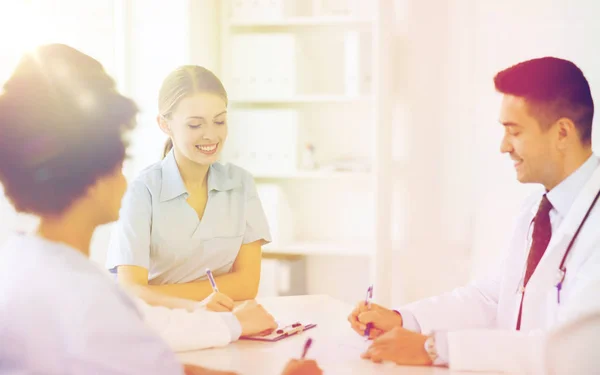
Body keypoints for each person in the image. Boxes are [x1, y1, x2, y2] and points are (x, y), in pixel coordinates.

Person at [0, 43, 320, 375]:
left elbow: (155, 358)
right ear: (95, 175)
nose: (125, 178)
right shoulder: (90, 302)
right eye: (120, 160)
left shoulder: (23, 264)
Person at [348, 57, 600, 373]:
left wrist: (436, 348)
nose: (503, 146)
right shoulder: (538, 209)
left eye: (515, 131)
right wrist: (404, 320)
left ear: (562, 132)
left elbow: (574, 351)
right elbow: (492, 298)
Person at [106, 65, 270, 303]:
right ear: (165, 124)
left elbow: (247, 284)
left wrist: (158, 294)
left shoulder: (240, 184)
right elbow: (131, 291)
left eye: (219, 121)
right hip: (162, 330)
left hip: (226, 327)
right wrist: (202, 303)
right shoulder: (142, 191)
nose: (211, 135)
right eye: (195, 125)